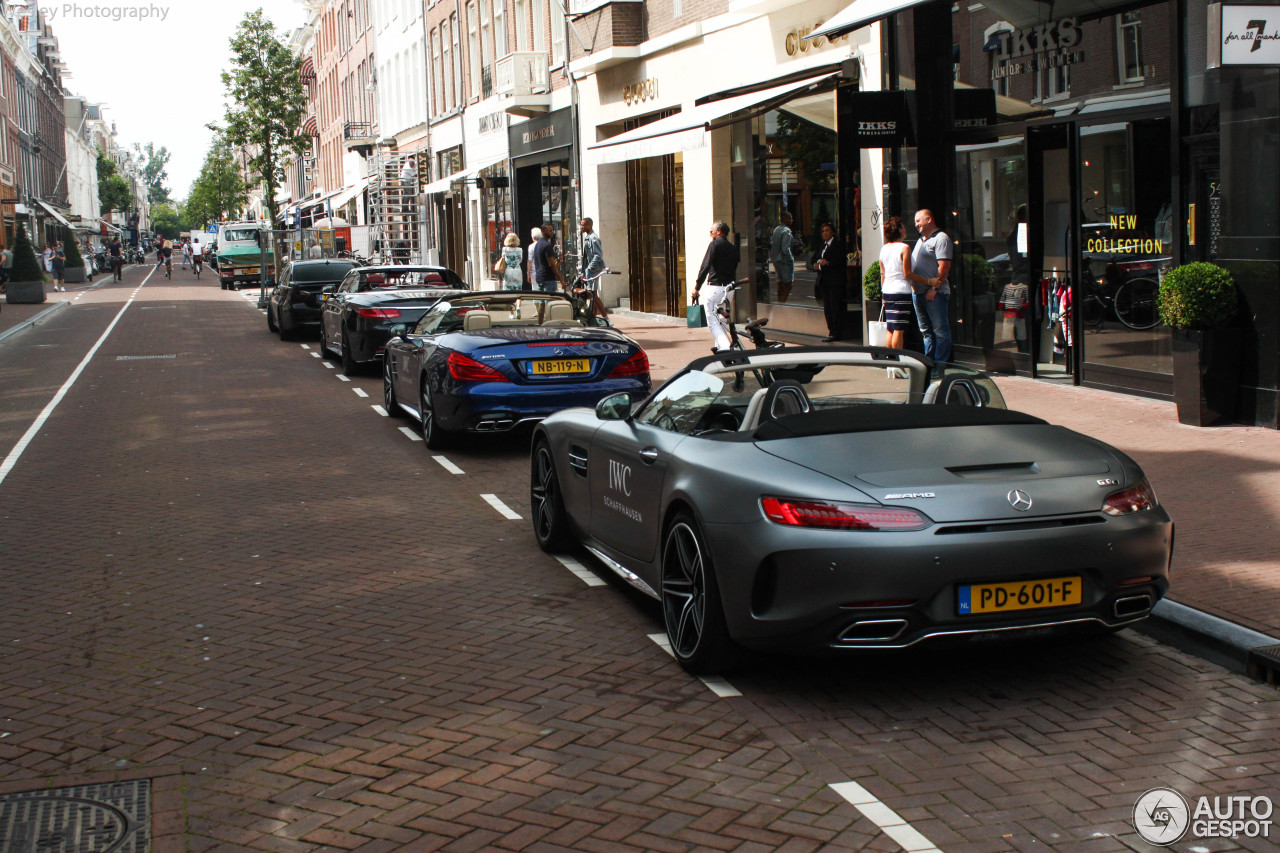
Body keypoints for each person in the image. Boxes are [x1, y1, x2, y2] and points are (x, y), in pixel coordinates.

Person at [911, 208, 954, 364]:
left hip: (934, 294)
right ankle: (929, 363)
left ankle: (940, 365)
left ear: (929, 220)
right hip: (918, 293)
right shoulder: (920, 240)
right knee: (926, 332)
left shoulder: (941, 238)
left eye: (918, 220)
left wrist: (934, 290)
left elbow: (944, 266)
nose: (916, 225)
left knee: (940, 332)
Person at [693, 220, 739, 353]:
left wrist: (697, 287)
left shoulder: (714, 245)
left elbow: (705, 266)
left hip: (715, 287)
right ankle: (720, 350)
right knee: (722, 320)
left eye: (711, 232)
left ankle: (725, 347)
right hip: (729, 289)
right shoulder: (732, 247)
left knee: (713, 320)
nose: (710, 234)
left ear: (718, 232)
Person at [878, 217, 915, 351]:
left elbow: (883, 274)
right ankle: (897, 363)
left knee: (891, 328)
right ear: (899, 229)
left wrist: (882, 293)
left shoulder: (883, 249)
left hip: (888, 290)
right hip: (901, 291)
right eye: (903, 226)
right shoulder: (904, 248)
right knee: (899, 329)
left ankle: (891, 363)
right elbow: (908, 274)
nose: (905, 229)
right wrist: (928, 281)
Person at [810, 222, 846, 342]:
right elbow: (813, 259)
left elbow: (836, 261)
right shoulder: (822, 246)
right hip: (823, 281)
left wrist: (826, 263)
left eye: (827, 230)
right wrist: (819, 263)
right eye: (823, 231)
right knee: (827, 308)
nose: (825, 233)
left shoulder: (838, 245)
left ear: (833, 232)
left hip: (835, 281)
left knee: (835, 307)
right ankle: (831, 331)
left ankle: (836, 332)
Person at [768, 212, 796, 303]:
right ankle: (783, 303)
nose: (792, 220)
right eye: (790, 218)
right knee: (788, 284)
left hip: (776, 260)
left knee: (780, 283)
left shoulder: (776, 229)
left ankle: (780, 303)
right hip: (784, 261)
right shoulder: (786, 231)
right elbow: (785, 249)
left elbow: (771, 243)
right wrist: (790, 258)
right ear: (785, 219)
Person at [530, 224, 561, 293]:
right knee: (549, 301)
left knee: (541, 300)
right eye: (549, 230)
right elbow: (552, 264)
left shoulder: (537, 244)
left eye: (553, 230)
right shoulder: (547, 245)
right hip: (548, 278)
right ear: (543, 231)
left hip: (539, 277)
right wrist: (561, 279)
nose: (552, 232)